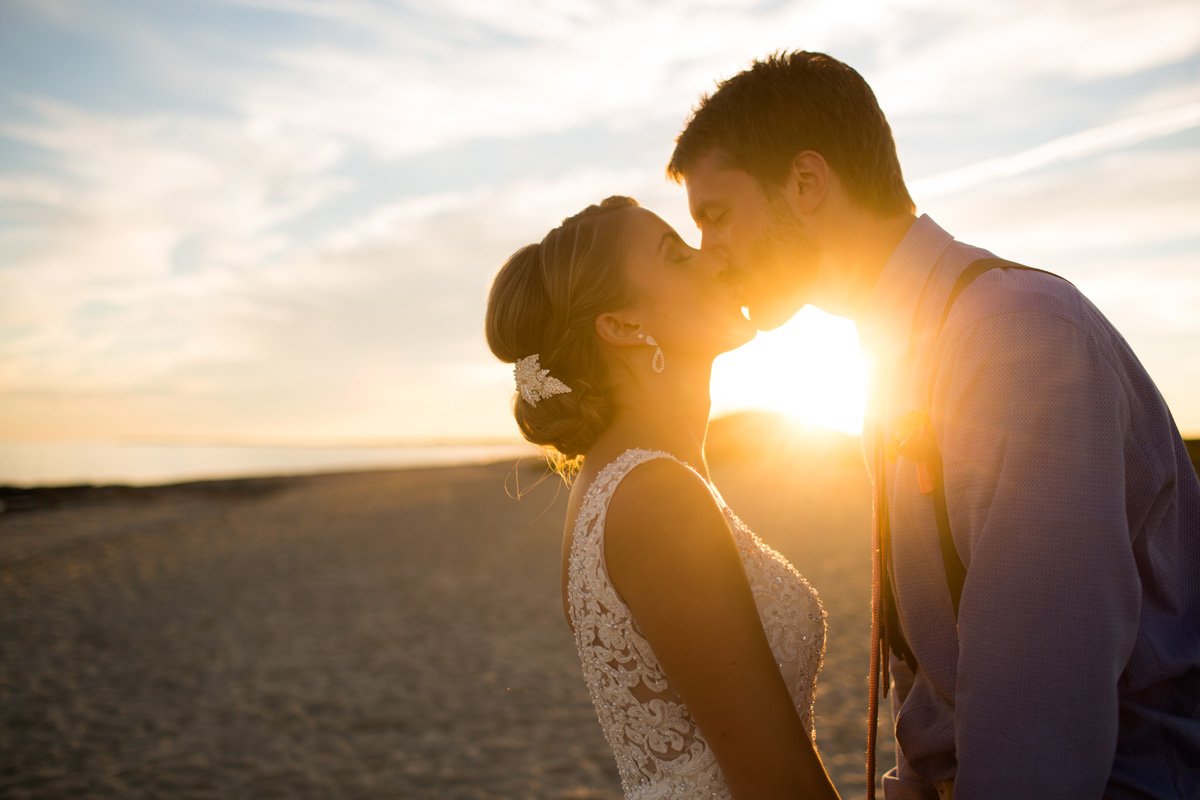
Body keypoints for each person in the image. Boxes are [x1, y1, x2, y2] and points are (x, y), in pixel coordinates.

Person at [666, 50, 1200, 799]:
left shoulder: (1015, 338)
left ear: (806, 182)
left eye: (715, 217)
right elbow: (938, 692)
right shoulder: (896, 352)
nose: (708, 255)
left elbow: (1040, 717)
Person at [486, 196, 842, 799]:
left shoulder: (629, 479)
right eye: (677, 256)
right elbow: (775, 782)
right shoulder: (656, 496)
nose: (712, 258)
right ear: (622, 326)